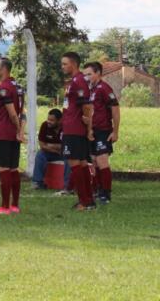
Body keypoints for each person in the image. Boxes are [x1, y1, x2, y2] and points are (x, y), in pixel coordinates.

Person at [0, 58, 25, 215]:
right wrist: (20, 131)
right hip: (14, 134)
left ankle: (4, 207)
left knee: (4, 169)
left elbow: (13, 113)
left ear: (4, 69)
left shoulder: (4, 88)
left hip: (4, 132)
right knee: (13, 169)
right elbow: (22, 113)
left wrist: (18, 129)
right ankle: (14, 205)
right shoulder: (18, 87)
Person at [60, 51, 96, 211]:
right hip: (72, 128)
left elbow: (87, 106)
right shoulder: (74, 81)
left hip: (74, 129)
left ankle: (84, 201)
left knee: (75, 164)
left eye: (64, 64)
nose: (62, 67)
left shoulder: (78, 81)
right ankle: (89, 200)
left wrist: (88, 127)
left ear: (74, 64)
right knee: (81, 163)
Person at [84, 61, 120, 204]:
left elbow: (115, 110)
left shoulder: (104, 88)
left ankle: (106, 193)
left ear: (98, 73)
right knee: (93, 161)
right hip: (92, 131)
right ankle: (98, 190)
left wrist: (115, 131)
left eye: (89, 74)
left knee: (102, 160)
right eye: (85, 75)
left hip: (103, 130)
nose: (87, 77)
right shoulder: (90, 90)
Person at [31, 109, 71, 189]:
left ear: (59, 120)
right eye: (48, 119)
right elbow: (42, 146)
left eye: (52, 120)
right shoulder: (44, 125)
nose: (49, 122)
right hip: (52, 153)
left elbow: (67, 145)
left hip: (64, 152)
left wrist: (51, 145)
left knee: (69, 157)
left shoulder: (66, 127)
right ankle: (38, 182)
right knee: (40, 154)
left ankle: (67, 186)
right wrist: (56, 149)